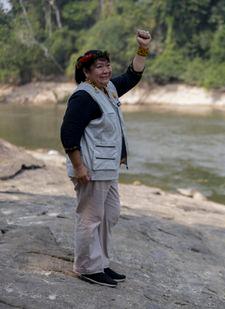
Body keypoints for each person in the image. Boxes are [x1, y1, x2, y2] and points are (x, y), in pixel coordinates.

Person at [60, 29, 152, 287]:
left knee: (110, 214)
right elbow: (68, 133)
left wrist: (142, 49)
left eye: (107, 65)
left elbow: (132, 76)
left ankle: (100, 262)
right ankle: (87, 267)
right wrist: (78, 166)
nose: (106, 70)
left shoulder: (108, 89)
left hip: (107, 168)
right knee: (89, 218)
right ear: (86, 73)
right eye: (99, 67)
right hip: (91, 169)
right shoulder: (83, 96)